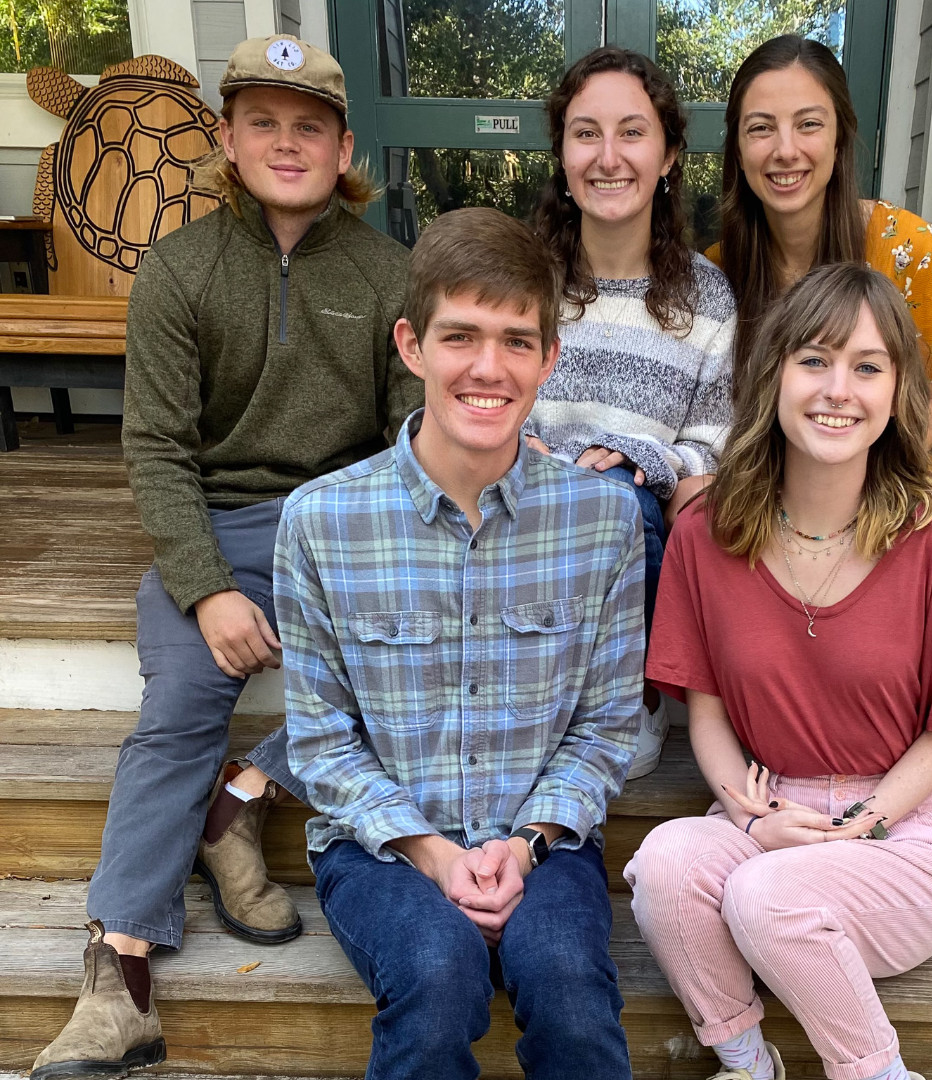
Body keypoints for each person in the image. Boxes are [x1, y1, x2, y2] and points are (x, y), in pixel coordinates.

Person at [31, 34, 421, 1080]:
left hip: (344, 529)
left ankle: (243, 800)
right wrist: (204, 589)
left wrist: (387, 558)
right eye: (263, 121)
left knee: (414, 661)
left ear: (344, 148)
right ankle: (119, 979)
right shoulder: (181, 265)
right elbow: (153, 445)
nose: (285, 143)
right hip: (216, 525)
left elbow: (411, 437)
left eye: (309, 126)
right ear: (225, 137)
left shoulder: (392, 273)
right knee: (175, 710)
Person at [275, 207, 643, 1080]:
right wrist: (433, 854)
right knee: (437, 976)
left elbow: (606, 724)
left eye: (518, 341)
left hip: (542, 838)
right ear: (411, 345)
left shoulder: (603, 521)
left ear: (550, 358)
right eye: (461, 336)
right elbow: (321, 741)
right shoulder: (322, 522)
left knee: (567, 984)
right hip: (382, 849)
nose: (489, 368)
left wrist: (522, 849)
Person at [625, 263, 932, 1080]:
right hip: (767, 809)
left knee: (768, 897)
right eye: (815, 360)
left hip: (900, 835)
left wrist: (861, 821)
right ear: (774, 375)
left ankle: (876, 1073)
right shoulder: (709, 532)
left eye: (867, 366)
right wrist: (751, 819)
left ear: (897, 390)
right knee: (663, 862)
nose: (839, 389)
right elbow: (707, 710)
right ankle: (747, 1062)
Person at [529, 46, 736, 776]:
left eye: (632, 132)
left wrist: (649, 457)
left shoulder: (706, 298)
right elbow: (479, 381)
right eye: (586, 133)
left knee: (617, 498)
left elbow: (715, 440)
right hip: (519, 497)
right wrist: (528, 451)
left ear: (670, 153)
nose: (607, 156)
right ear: (561, 151)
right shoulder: (525, 277)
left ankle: (633, 697)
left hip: (642, 520)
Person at [705, 34, 932, 447]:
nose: (785, 150)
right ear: (737, 149)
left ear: (840, 136)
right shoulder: (719, 270)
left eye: (809, 124)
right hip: (755, 487)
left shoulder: (911, 252)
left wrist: (870, 490)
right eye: (760, 128)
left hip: (874, 487)